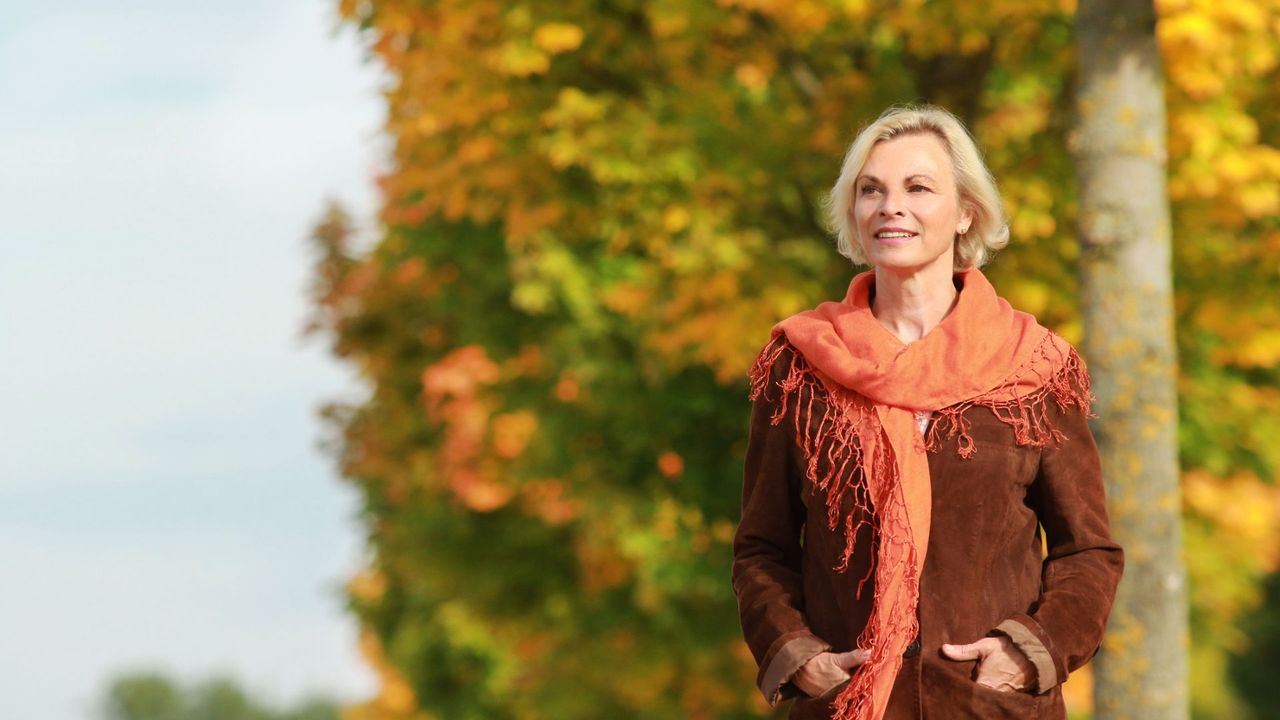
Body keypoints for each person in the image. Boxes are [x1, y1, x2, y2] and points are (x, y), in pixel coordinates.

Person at [731, 105, 1123, 720]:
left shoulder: (1034, 368)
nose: (891, 206)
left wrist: (1029, 653)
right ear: (855, 213)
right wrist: (798, 654)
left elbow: (1086, 552)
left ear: (966, 211)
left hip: (990, 708)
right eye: (871, 190)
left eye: (918, 187)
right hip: (844, 707)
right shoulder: (800, 365)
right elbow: (762, 548)